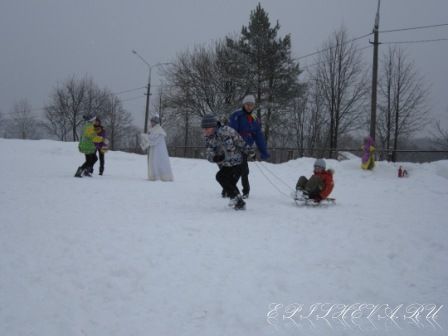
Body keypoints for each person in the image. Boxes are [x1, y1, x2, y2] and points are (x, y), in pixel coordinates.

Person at [201, 114, 249, 210]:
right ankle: (238, 201)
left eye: (208, 128)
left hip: (238, 162)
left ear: (214, 126)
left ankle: (237, 199)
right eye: (204, 129)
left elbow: (240, 141)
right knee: (223, 178)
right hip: (226, 164)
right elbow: (209, 153)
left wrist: (250, 152)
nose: (205, 131)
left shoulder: (226, 131)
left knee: (224, 179)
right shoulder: (208, 138)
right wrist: (215, 158)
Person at [229, 94, 270, 199]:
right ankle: (241, 191)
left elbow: (259, 136)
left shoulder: (254, 118)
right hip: (236, 147)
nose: (249, 106)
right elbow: (232, 132)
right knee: (242, 169)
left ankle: (230, 189)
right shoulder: (236, 115)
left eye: (251, 105)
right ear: (244, 104)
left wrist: (264, 151)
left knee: (241, 170)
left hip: (246, 148)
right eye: (247, 104)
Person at [139, 115, 173, 181]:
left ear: (156, 122)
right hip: (154, 150)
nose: (151, 123)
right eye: (151, 122)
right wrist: (146, 137)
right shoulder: (152, 130)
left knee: (158, 162)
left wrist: (145, 136)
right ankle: (154, 176)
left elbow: (153, 141)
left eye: (152, 122)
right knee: (153, 162)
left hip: (159, 151)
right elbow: (151, 139)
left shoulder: (159, 130)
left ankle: (162, 177)